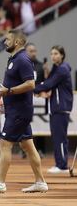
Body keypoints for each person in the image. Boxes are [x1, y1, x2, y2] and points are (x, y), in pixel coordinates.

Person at [0, 30, 48, 193]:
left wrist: (8, 90)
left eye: (8, 39)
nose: (4, 42)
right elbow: (11, 87)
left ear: (17, 42)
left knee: (4, 144)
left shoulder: (23, 60)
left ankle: (0, 183)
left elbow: (31, 84)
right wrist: (2, 92)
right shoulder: (14, 59)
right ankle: (40, 182)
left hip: (19, 112)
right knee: (28, 146)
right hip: (15, 110)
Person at [34, 45, 73, 174]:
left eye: (56, 53)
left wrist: (30, 87)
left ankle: (62, 166)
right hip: (56, 107)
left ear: (62, 55)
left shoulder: (62, 69)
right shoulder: (57, 68)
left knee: (60, 138)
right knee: (57, 137)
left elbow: (49, 84)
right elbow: (49, 83)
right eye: (52, 54)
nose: (53, 56)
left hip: (61, 107)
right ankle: (59, 164)